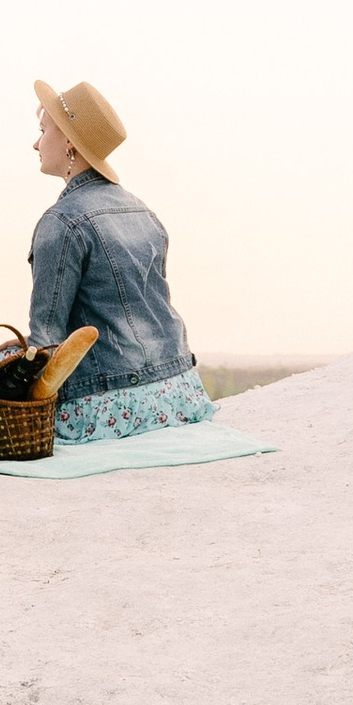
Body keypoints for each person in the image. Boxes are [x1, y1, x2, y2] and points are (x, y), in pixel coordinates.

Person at [24, 80, 216, 445]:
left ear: (69, 141)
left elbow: (46, 341)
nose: (36, 143)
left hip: (109, 404)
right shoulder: (143, 211)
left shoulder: (61, 221)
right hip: (181, 391)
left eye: (42, 130)